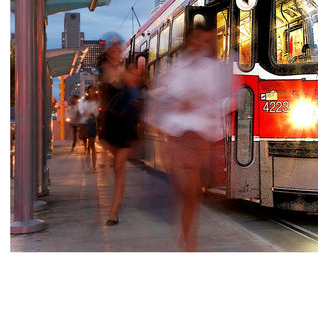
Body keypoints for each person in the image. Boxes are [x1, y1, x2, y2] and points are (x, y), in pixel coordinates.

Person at [150, 25, 229, 251]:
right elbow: (160, 96)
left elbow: (224, 101)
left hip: (201, 136)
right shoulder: (176, 68)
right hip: (178, 134)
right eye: (198, 40)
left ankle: (186, 235)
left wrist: (201, 104)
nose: (201, 45)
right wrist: (179, 104)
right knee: (186, 189)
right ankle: (188, 241)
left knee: (193, 192)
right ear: (189, 41)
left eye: (205, 41)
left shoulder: (213, 69)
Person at [98, 38, 145, 226]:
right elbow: (103, 101)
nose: (116, 51)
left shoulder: (128, 72)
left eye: (119, 49)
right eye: (113, 49)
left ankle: (114, 210)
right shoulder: (104, 74)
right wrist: (101, 127)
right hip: (111, 126)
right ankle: (116, 203)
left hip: (125, 125)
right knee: (115, 167)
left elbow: (138, 93)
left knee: (119, 168)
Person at [78, 85, 100, 172]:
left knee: (92, 145)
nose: (92, 92)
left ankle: (94, 166)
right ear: (88, 91)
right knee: (85, 146)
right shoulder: (83, 100)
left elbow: (97, 112)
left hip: (93, 123)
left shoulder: (97, 100)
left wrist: (93, 114)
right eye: (90, 90)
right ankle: (86, 164)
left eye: (93, 90)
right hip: (84, 123)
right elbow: (81, 111)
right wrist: (88, 113)